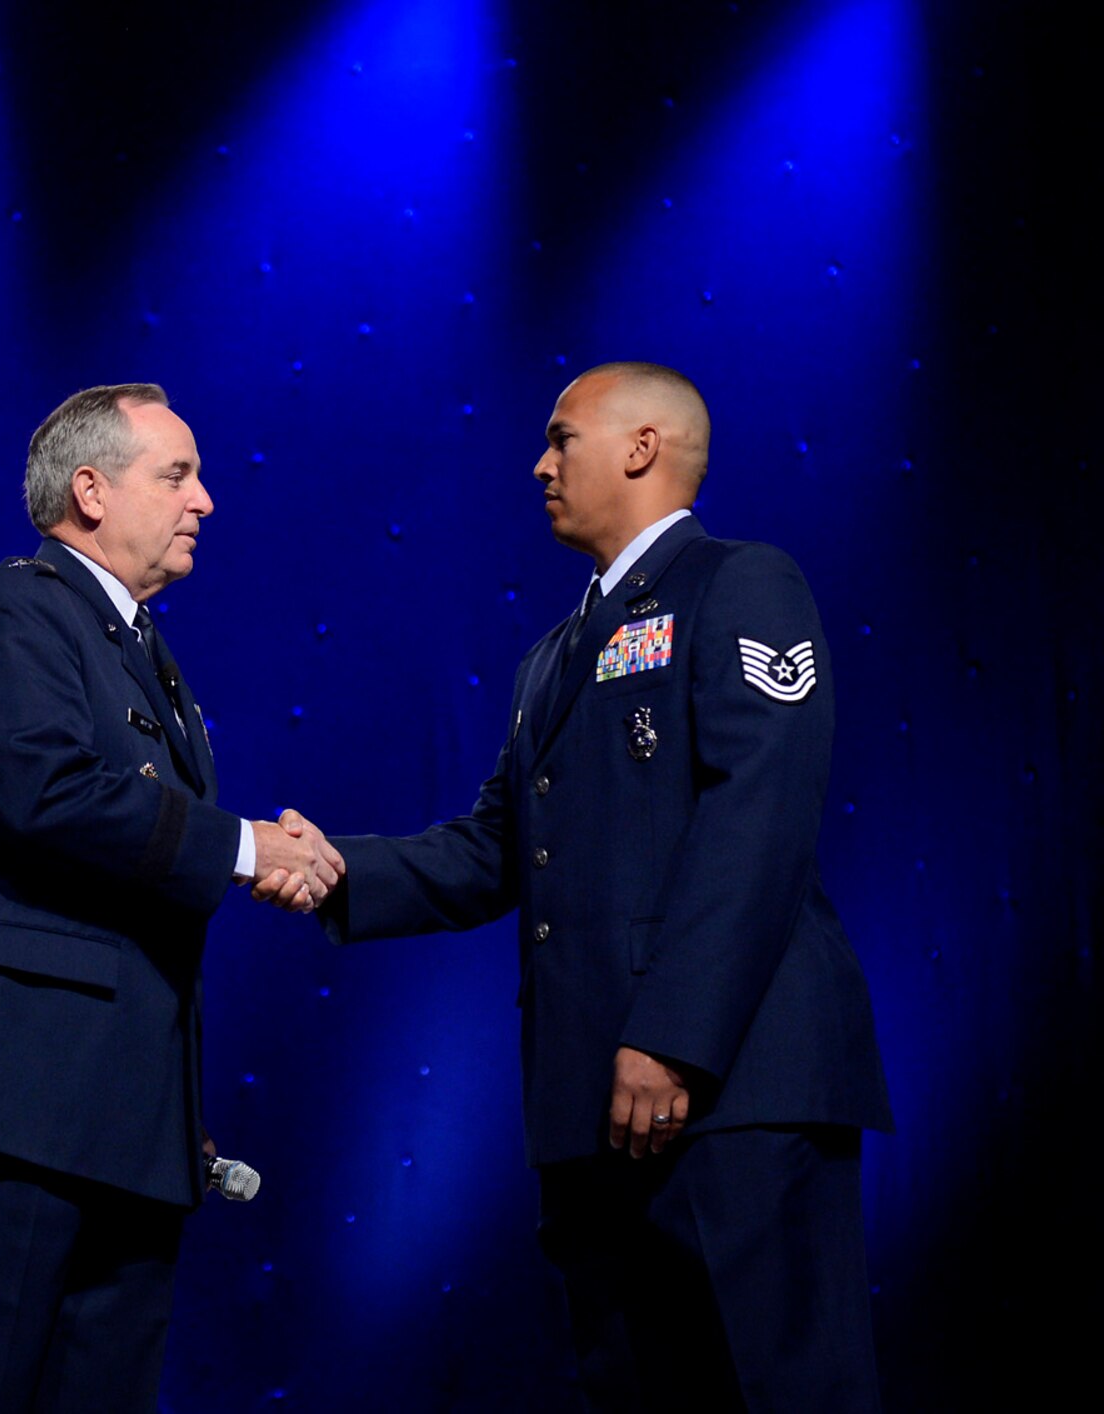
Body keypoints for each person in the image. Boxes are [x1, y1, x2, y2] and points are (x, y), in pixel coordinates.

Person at [274, 364, 892, 1411]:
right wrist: (330, 868)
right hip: (595, 1115)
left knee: (775, 1388)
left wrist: (671, 1037)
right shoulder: (552, 656)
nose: (539, 464)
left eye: (560, 439)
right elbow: (494, 848)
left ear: (640, 448)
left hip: (727, 1091)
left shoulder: (740, 584)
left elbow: (758, 820)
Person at [0, 384, 342, 1413]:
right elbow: (54, 798)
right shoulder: (16, 609)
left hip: (119, 1131)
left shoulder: (142, 655)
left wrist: (163, 1101)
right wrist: (246, 846)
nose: (203, 500)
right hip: (5, 1120)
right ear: (89, 489)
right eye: (175, 475)